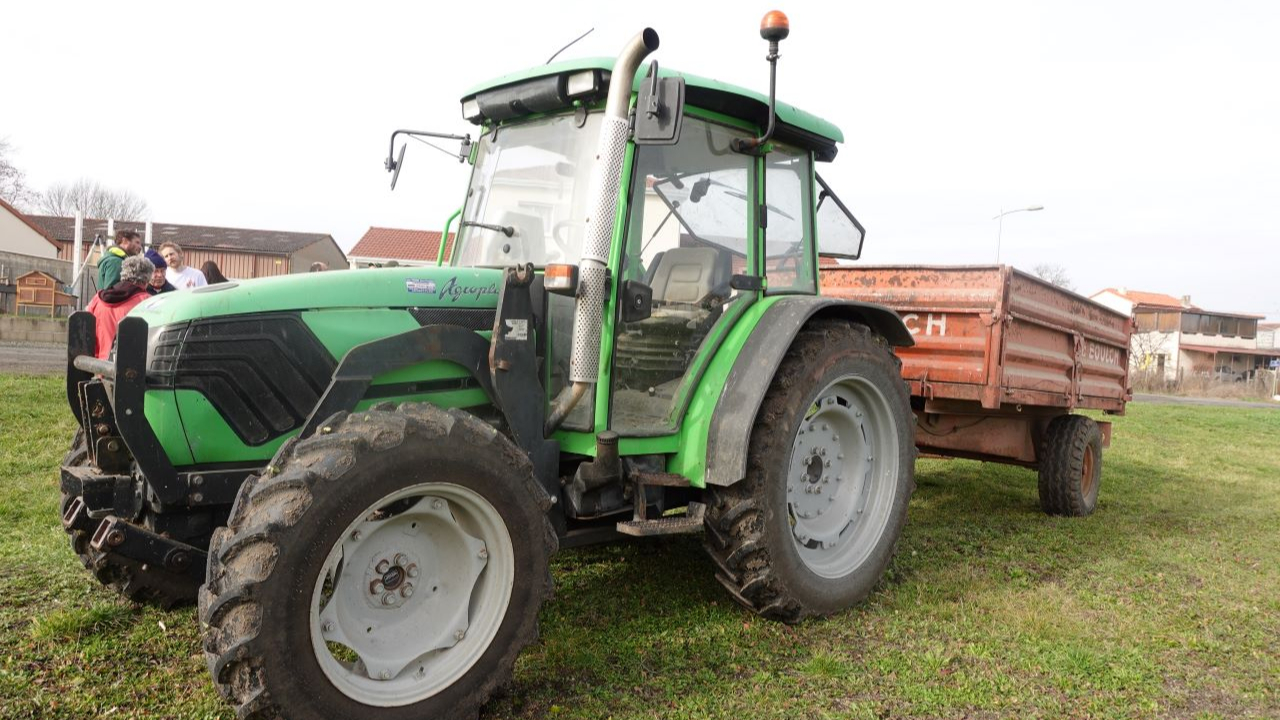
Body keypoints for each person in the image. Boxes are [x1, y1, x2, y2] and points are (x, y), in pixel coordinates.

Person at [86, 255, 154, 360]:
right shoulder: (147, 301)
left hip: (99, 365)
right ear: (146, 280)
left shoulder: (97, 298)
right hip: (131, 368)